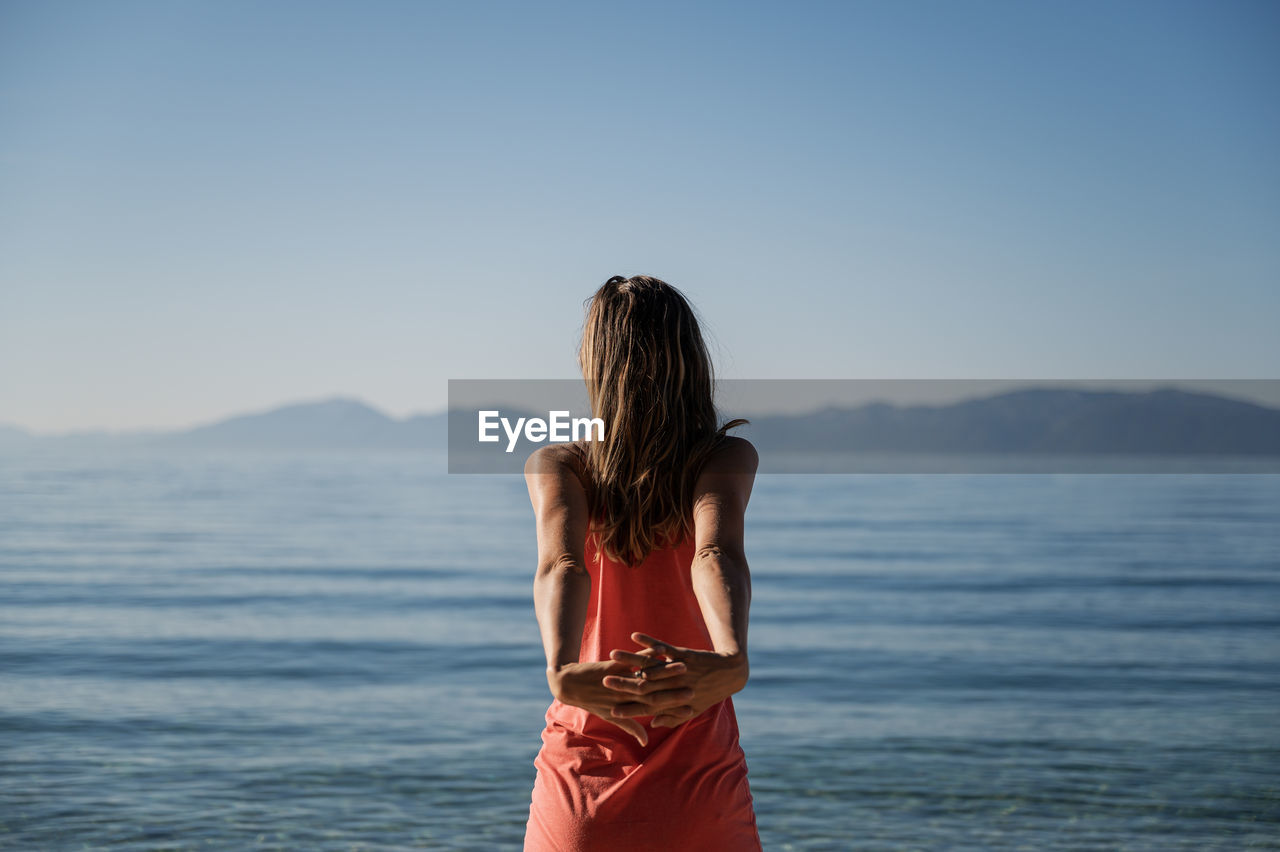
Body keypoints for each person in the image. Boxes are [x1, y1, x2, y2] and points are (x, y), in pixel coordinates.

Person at [523, 275, 763, 851]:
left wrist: (559, 665)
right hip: (698, 784)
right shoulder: (725, 456)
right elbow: (715, 552)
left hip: (583, 782)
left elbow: (563, 563)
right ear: (691, 358)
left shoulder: (560, 463)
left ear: (595, 361)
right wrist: (731, 655)